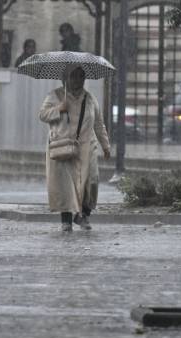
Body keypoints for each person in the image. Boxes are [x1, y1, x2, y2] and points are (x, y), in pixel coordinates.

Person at [38, 64, 110, 232]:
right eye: (74, 76)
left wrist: (105, 145)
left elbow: (99, 124)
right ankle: (66, 220)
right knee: (65, 185)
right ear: (66, 78)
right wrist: (58, 109)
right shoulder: (55, 96)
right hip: (63, 146)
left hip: (87, 146)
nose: (78, 80)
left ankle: (84, 214)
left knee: (91, 181)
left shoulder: (90, 98)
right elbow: (42, 114)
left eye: (81, 76)